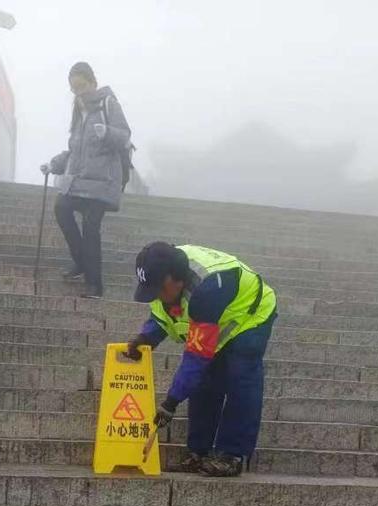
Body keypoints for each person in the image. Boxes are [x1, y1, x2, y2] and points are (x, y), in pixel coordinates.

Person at [126, 243, 277, 477]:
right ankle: (199, 451)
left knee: (240, 376)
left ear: (178, 280)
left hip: (250, 315)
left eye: (159, 288)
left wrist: (171, 402)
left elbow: (196, 357)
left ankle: (231, 454)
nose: (156, 294)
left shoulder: (205, 291)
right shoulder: (163, 273)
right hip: (218, 317)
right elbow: (163, 314)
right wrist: (146, 337)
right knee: (205, 382)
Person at [41, 62, 131, 299]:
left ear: (93, 82)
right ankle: (81, 261)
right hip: (79, 180)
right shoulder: (78, 111)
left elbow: (125, 136)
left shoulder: (107, 103)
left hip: (102, 182)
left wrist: (107, 132)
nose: (78, 92)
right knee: (61, 207)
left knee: (91, 228)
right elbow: (74, 149)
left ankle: (95, 284)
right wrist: (55, 164)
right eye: (73, 88)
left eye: (81, 86)